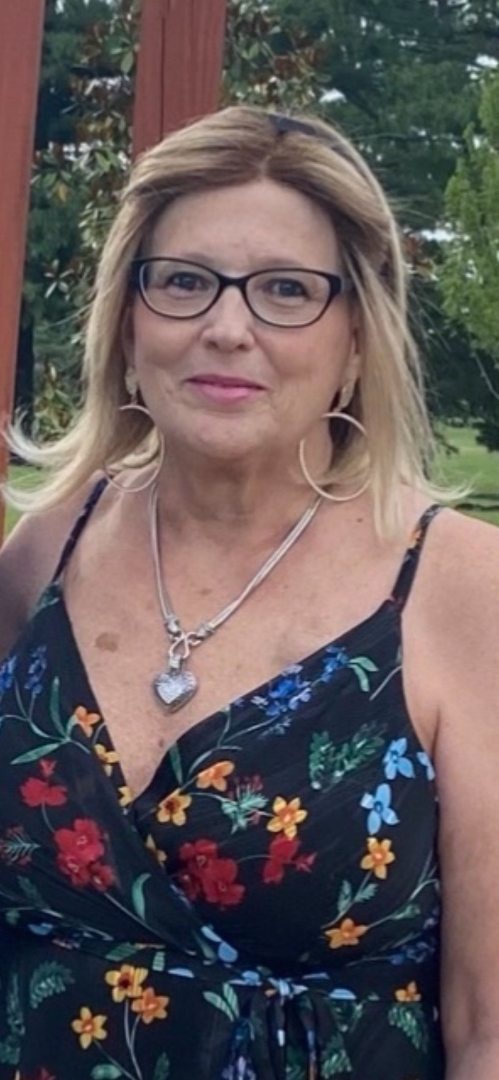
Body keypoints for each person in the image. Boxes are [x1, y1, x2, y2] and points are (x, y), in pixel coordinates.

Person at [0, 104, 497, 1080]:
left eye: (285, 290)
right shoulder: (46, 551)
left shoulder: (459, 590)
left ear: (356, 339)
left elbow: (490, 1024)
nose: (227, 328)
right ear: (128, 321)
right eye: (184, 282)